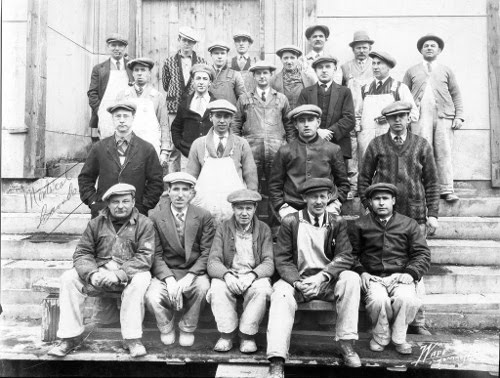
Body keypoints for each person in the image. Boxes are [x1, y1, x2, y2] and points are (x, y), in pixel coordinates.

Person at [358, 101, 439, 336]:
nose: (398, 121)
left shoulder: (421, 145)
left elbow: (432, 182)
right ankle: (382, 319)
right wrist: (367, 206)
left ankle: (417, 320)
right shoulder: (377, 145)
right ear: (387, 120)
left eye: (402, 116)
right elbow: (364, 179)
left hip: (413, 214)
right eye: (393, 117)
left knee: (415, 266)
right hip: (381, 217)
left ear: (409, 118)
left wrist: (432, 214)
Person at [266, 178, 362, 378]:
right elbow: (282, 259)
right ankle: (277, 359)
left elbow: (345, 255)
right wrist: (298, 283)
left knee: (351, 279)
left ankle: (346, 344)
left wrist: (322, 277)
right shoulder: (291, 221)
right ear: (304, 198)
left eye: (322, 196)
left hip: (325, 282)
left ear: (328, 198)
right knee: (280, 293)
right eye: (313, 197)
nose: (318, 201)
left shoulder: (337, 222)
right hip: (298, 280)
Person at [48, 184, 154, 358]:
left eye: (126, 201)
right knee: (68, 278)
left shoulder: (145, 223)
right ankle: (69, 337)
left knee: (142, 279)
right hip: (100, 272)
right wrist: (92, 273)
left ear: (133, 201)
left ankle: (132, 339)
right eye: (116, 202)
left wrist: (119, 274)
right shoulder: (96, 223)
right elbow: (82, 252)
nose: (121, 206)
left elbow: (145, 256)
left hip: (129, 272)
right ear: (108, 204)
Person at [351, 183, 431, 354]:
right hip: (373, 277)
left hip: (400, 276)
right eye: (377, 199)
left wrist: (411, 273)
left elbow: (422, 253)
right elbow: (350, 254)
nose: (381, 203)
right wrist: (361, 271)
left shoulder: (409, 224)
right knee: (378, 301)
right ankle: (380, 336)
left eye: (385, 199)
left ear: (393, 201)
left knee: (406, 299)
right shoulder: (360, 225)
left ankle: (399, 338)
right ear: (370, 202)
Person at [145, 172, 215, 347]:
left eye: (185, 190)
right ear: (168, 192)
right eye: (175, 189)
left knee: (202, 288)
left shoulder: (203, 216)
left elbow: (207, 252)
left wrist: (190, 276)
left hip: (194, 271)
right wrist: (168, 280)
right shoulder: (154, 216)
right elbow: (155, 254)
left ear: (192, 193)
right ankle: (166, 327)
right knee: (152, 296)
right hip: (166, 271)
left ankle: (187, 328)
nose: (180, 194)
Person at [207, 189, 273, 353]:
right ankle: (227, 335)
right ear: (233, 209)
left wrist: (252, 275)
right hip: (230, 274)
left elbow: (268, 262)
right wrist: (227, 276)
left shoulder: (263, 229)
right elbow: (213, 261)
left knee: (263, 289)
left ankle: (247, 335)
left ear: (255, 208)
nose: (244, 213)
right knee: (217, 288)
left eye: (248, 208)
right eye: (239, 208)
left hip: (252, 275)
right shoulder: (223, 228)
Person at [232, 61, 295, 227]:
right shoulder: (244, 98)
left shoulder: (281, 98)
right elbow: (236, 125)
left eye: (265, 73)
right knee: (252, 188)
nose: (262, 76)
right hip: (251, 151)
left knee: (275, 189)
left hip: (276, 150)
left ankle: (275, 227)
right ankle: (251, 226)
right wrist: (238, 150)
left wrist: (290, 148)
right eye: (258, 73)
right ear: (253, 76)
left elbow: (289, 126)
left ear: (271, 75)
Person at [404, 34, 464, 202]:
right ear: (421, 50)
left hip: (443, 116)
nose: (429, 48)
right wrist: (406, 118)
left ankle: (446, 189)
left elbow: (456, 94)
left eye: (433, 45)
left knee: (444, 152)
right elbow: (404, 95)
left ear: (439, 50)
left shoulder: (446, 70)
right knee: (420, 152)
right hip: (420, 117)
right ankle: (422, 189)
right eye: (426, 46)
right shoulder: (412, 71)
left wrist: (459, 116)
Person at [78, 102, 163, 218]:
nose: (122, 120)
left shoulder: (146, 149)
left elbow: (156, 182)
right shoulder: (99, 147)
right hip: (104, 213)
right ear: (112, 119)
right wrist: (94, 202)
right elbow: (85, 178)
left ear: (133, 118)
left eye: (126, 116)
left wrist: (144, 205)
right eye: (118, 116)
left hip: (135, 214)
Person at [269, 104, 350, 219]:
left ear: (318, 122)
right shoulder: (285, 151)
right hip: (293, 208)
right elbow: (275, 185)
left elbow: (343, 184)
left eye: (311, 120)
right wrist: (282, 207)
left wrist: (335, 204)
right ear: (296, 125)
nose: (306, 125)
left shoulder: (332, 149)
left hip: (325, 207)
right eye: (302, 121)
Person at [187, 99, 258, 225]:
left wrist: (248, 203)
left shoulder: (241, 144)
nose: (222, 121)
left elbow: (251, 179)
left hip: (233, 206)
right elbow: (190, 179)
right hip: (205, 206)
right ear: (210, 117)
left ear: (231, 119)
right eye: (218, 116)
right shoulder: (199, 144)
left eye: (226, 117)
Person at [297, 56, 355, 177]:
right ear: (315, 71)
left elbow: (349, 119)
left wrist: (329, 132)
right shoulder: (306, 93)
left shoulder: (345, 92)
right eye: (320, 67)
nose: (324, 70)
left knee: (339, 182)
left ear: (334, 69)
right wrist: (317, 132)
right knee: (315, 182)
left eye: (328, 67)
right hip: (312, 145)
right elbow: (299, 118)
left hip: (338, 145)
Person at [357, 51, 418, 164]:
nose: (375, 67)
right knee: (367, 169)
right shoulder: (365, 89)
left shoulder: (399, 88)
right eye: (373, 63)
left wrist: (392, 119)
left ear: (389, 67)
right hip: (367, 138)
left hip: (391, 137)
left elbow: (413, 114)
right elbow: (357, 115)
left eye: (379, 63)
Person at [162, 27, 207, 173]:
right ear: (179, 40)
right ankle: (173, 181)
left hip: (192, 108)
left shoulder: (201, 61)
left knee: (192, 141)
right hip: (174, 108)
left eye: (190, 42)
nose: (187, 44)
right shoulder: (169, 62)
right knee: (174, 145)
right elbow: (165, 84)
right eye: (184, 40)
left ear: (194, 44)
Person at [341, 31, 376, 198]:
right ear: (353, 49)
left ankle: (368, 186)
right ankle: (353, 186)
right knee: (353, 151)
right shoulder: (345, 67)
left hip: (370, 115)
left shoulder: (375, 66)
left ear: (369, 48)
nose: (361, 50)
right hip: (351, 114)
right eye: (358, 48)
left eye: (364, 47)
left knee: (368, 150)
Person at [116, 58, 169, 160]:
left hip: (150, 146)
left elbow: (164, 125)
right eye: (136, 70)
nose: (139, 73)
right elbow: (116, 123)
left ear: (149, 73)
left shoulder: (157, 97)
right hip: (126, 147)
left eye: (143, 70)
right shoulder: (123, 96)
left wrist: (164, 150)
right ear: (132, 73)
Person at [87, 33, 134, 140]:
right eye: (113, 45)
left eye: (120, 45)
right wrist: (100, 110)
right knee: (106, 147)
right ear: (108, 47)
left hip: (127, 113)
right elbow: (92, 93)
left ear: (125, 48)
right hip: (105, 114)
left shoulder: (132, 67)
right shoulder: (99, 68)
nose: (117, 48)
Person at [171, 64, 217, 158]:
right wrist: (180, 145)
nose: (201, 82)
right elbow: (176, 127)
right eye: (198, 78)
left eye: (205, 79)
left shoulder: (216, 104)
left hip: (211, 155)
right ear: (193, 81)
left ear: (210, 82)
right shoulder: (185, 104)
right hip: (188, 155)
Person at [271, 45, 316, 110]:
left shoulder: (309, 79)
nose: (289, 62)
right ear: (281, 59)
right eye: (285, 58)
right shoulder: (273, 81)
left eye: (292, 58)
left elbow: (313, 104)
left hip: (302, 118)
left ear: (297, 59)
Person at [208, 41, 246, 106]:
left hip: (229, 115)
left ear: (227, 55)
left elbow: (243, 100)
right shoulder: (205, 74)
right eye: (216, 53)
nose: (219, 56)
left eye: (222, 53)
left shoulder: (235, 75)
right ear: (211, 55)